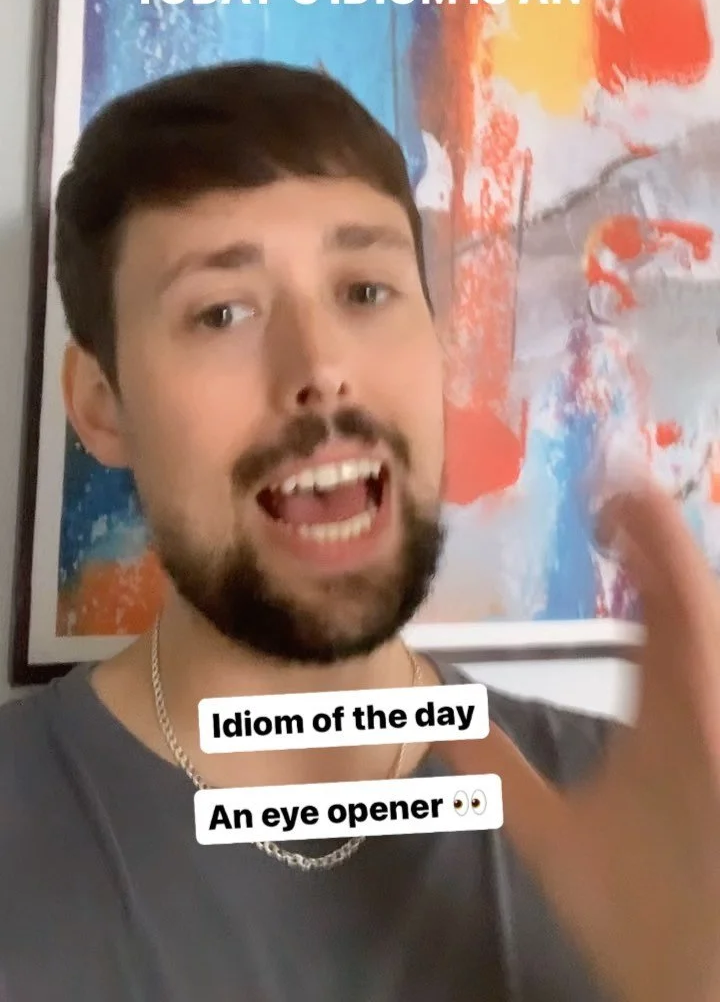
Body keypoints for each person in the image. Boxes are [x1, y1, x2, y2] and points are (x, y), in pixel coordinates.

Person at [1, 62, 718, 1002]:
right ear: (103, 405)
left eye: (366, 291)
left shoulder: (647, 828)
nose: (322, 365)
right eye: (222, 312)